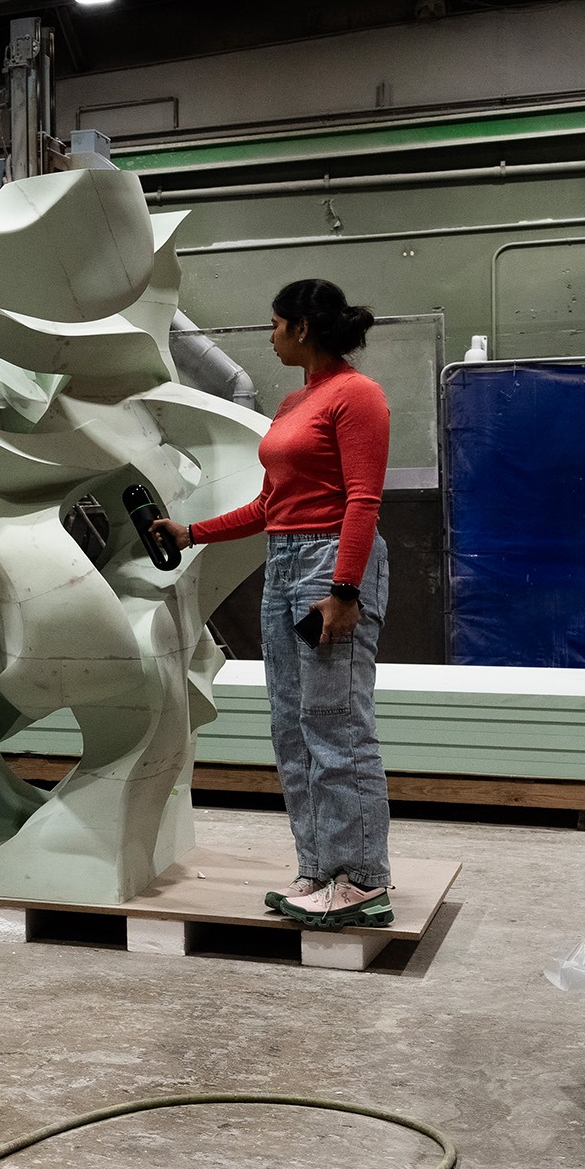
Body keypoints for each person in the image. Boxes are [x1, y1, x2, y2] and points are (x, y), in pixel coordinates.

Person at [150, 279, 391, 932]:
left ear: (302, 328)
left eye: (276, 324)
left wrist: (344, 591)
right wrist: (192, 533)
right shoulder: (294, 403)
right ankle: (318, 868)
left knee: (335, 723)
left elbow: (363, 500)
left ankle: (362, 880)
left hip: (328, 565)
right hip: (285, 563)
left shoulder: (356, 395)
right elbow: (270, 505)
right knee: (292, 725)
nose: (271, 336)